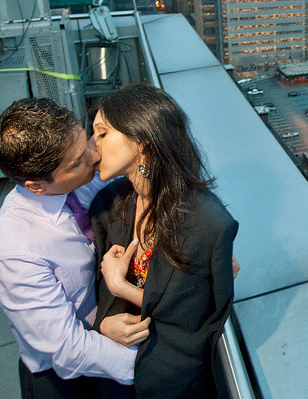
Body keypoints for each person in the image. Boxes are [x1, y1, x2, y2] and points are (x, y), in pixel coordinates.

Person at [0, 98, 149, 399]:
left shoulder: (79, 179)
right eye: (76, 163)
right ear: (36, 186)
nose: (94, 156)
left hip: (108, 332)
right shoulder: (15, 255)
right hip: (65, 376)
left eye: (85, 142)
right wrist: (158, 368)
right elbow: (69, 349)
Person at [90, 83, 238, 399]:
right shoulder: (109, 204)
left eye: (101, 134)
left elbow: (193, 317)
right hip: (117, 378)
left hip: (174, 383)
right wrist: (104, 323)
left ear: (141, 142)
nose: (92, 147)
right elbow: (97, 290)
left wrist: (120, 286)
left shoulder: (205, 221)